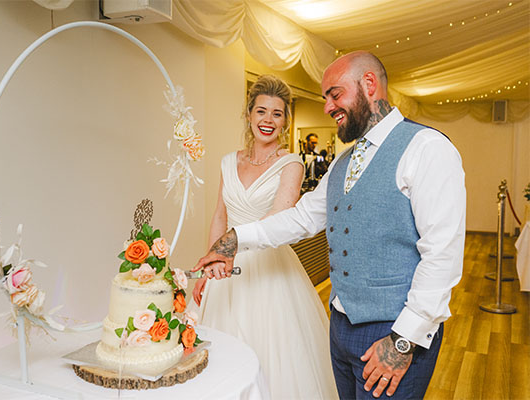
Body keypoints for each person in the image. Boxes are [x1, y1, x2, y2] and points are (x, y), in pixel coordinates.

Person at [193, 51, 466, 400]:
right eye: (325, 98)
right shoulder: (343, 161)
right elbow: (302, 217)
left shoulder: (426, 148)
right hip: (341, 328)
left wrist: (403, 340)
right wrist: (233, 239)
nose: (327, 107)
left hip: (393, 334)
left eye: (335, 94)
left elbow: (442, 254)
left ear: (369, 85)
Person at [191, 74, 339, 400]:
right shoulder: (229, 161)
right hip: (225, 271)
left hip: (269, 269)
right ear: (249, 114)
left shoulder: (291, 164)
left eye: (276, 113)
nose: (268, 120)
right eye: (261, 111)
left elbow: (278, 220)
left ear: (285, 120)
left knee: (272, 356)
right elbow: (219, 215)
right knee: (219, 354)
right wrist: (209, 266)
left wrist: (231, 249)